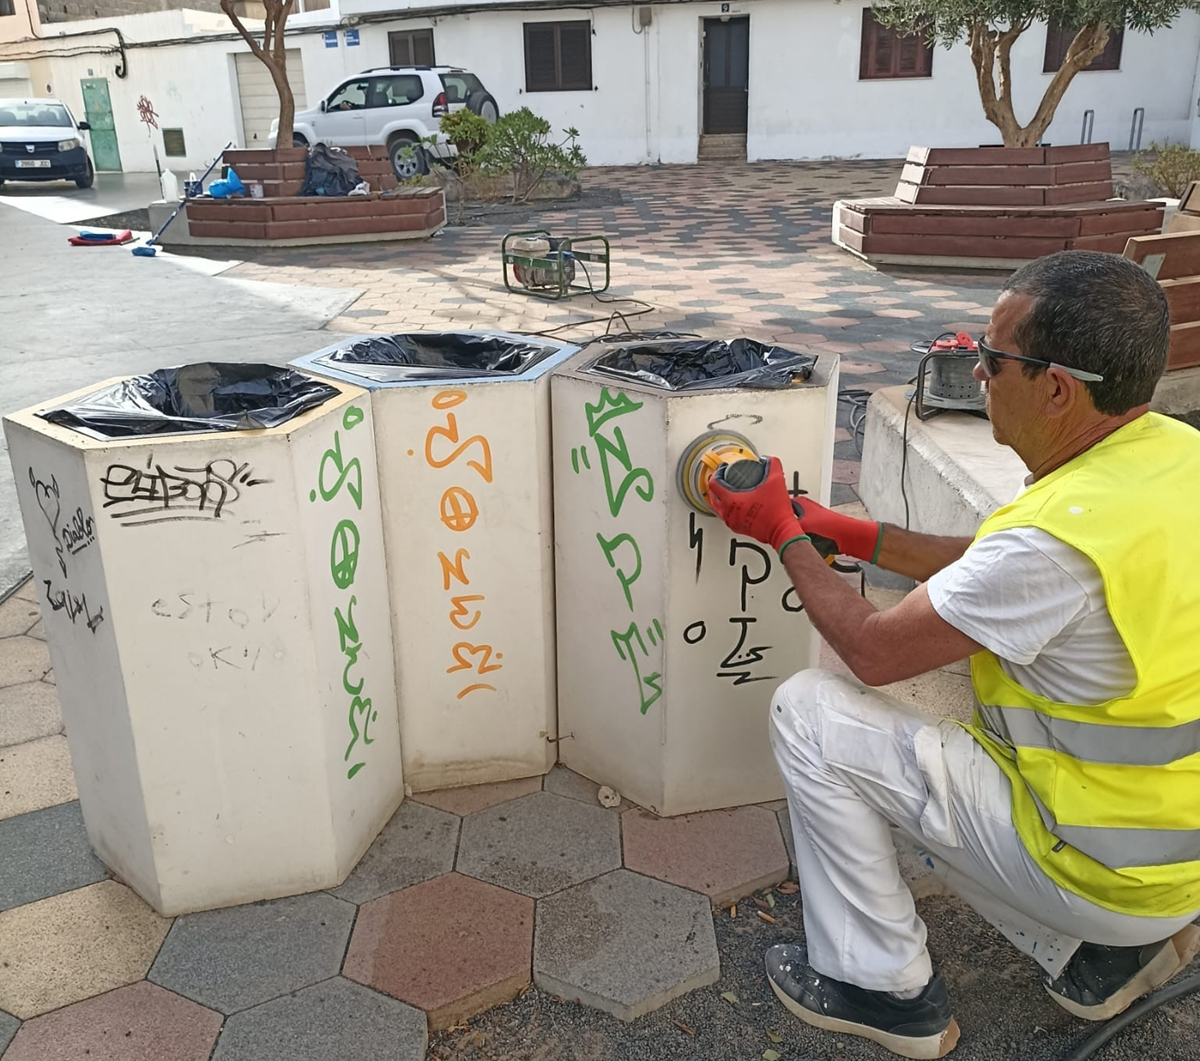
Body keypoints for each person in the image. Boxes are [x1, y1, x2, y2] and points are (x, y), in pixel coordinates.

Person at [706, 251, 1200, 1060]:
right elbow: (991, 564)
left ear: (1057, 386)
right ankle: (1116, 951)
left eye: (992, 356)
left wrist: (781, 532)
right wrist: (851, 532)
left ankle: (882, 987)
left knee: (813, 711)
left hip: (1099, 864)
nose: (974, 370)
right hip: (1173, 859)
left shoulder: (1051, 545)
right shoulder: (1165, 457)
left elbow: (870, 649)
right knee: (941, 710)